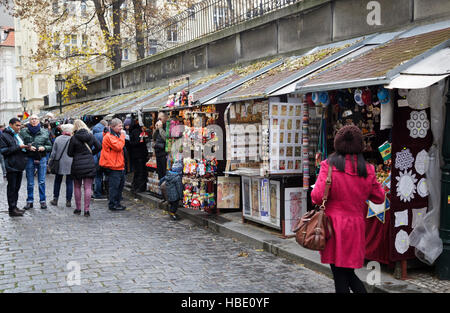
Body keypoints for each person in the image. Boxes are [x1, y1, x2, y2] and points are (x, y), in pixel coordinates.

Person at [311, 125, 385, 293]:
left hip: (333, 228)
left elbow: (316, 197)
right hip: (355, 227)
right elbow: (379, 197)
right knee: (346, 272)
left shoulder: (328, 166)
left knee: (340, 274)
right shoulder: (368, 169)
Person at [67, 119, 101, 217]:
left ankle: (78, 209)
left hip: (77, 165)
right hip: (89, 163)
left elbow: (69, 153)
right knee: (88, 187)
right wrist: (91, 153)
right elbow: (99, 147)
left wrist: (77, 154)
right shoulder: (91, 136)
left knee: (77, 186)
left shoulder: (73, 138)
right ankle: (86, 210)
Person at [0, 118, 32, 216]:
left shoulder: (17, 135)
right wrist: (19, 147)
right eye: (17, 125)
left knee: (17, 188)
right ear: (11, 125)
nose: (19, 127)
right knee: (12, 188)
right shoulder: (4, 136)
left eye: (19, 125)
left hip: (19, 165)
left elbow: (20, 147)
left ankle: (15, 206)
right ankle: (12, 209)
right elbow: (4, 151)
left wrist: (27, 147)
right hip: (11, 165)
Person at [20, 114, 53, 210]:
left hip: (41, 157)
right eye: (32, 119)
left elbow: (50, 146)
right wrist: (28, 147)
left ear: (38, 121)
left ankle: (42, 201)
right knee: (30, 182)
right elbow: (20, 145)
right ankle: (29, 201)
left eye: (35, 119)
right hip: (29, 158)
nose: (33, 120)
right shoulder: (23, 132)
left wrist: (44, 148)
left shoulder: (44, 132)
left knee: (41, 181)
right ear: (29, 121)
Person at [99, 118, 127, 211]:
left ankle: (117, 203)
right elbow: (118, 147)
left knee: (119, 186)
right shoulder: (109, 136)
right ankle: (113, 204)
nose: (121, 128)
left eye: (122, 126)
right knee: (114, 187)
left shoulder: (116, 135)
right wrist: (122, 136)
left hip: (119, 165)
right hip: (113, 166)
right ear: (113, 126)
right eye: (120, 126)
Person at [48, 123, 74, 207]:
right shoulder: (73, 139)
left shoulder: (58, 139)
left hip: (59, 163)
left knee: (57, 181)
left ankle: (55, 199)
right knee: (69, 182)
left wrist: (50, 163)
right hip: (71, 163)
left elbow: (53, 153)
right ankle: (68, 201)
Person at [128, 119, 149, 193]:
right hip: (140, 155)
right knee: (141, 171)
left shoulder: (132, 132)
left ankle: (135, 186)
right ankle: (139, 187)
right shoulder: (139, 132)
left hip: (134, 155)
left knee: (137, 171)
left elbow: (131, 143)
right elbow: (139, 143)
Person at [91, 120, 108, 200]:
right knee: (107, 176)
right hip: (104, 158)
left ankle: (97, 192)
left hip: (95, 158)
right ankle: (107, 192)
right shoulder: (105, 135)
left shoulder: (94, 134)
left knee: (98, 177)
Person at [153, 112, 168, 180]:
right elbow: (153, 137)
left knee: (164, 172)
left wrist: (161, 129)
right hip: (158, 151)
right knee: (160, 172)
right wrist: (156, 129)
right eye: (158, 118)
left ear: (165, 118)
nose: (159, 120)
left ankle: (164, 187)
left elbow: (166, 138)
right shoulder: (159, 126)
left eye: (160, 118)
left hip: (164, 152)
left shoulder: (168, 126)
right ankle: (161, 186)